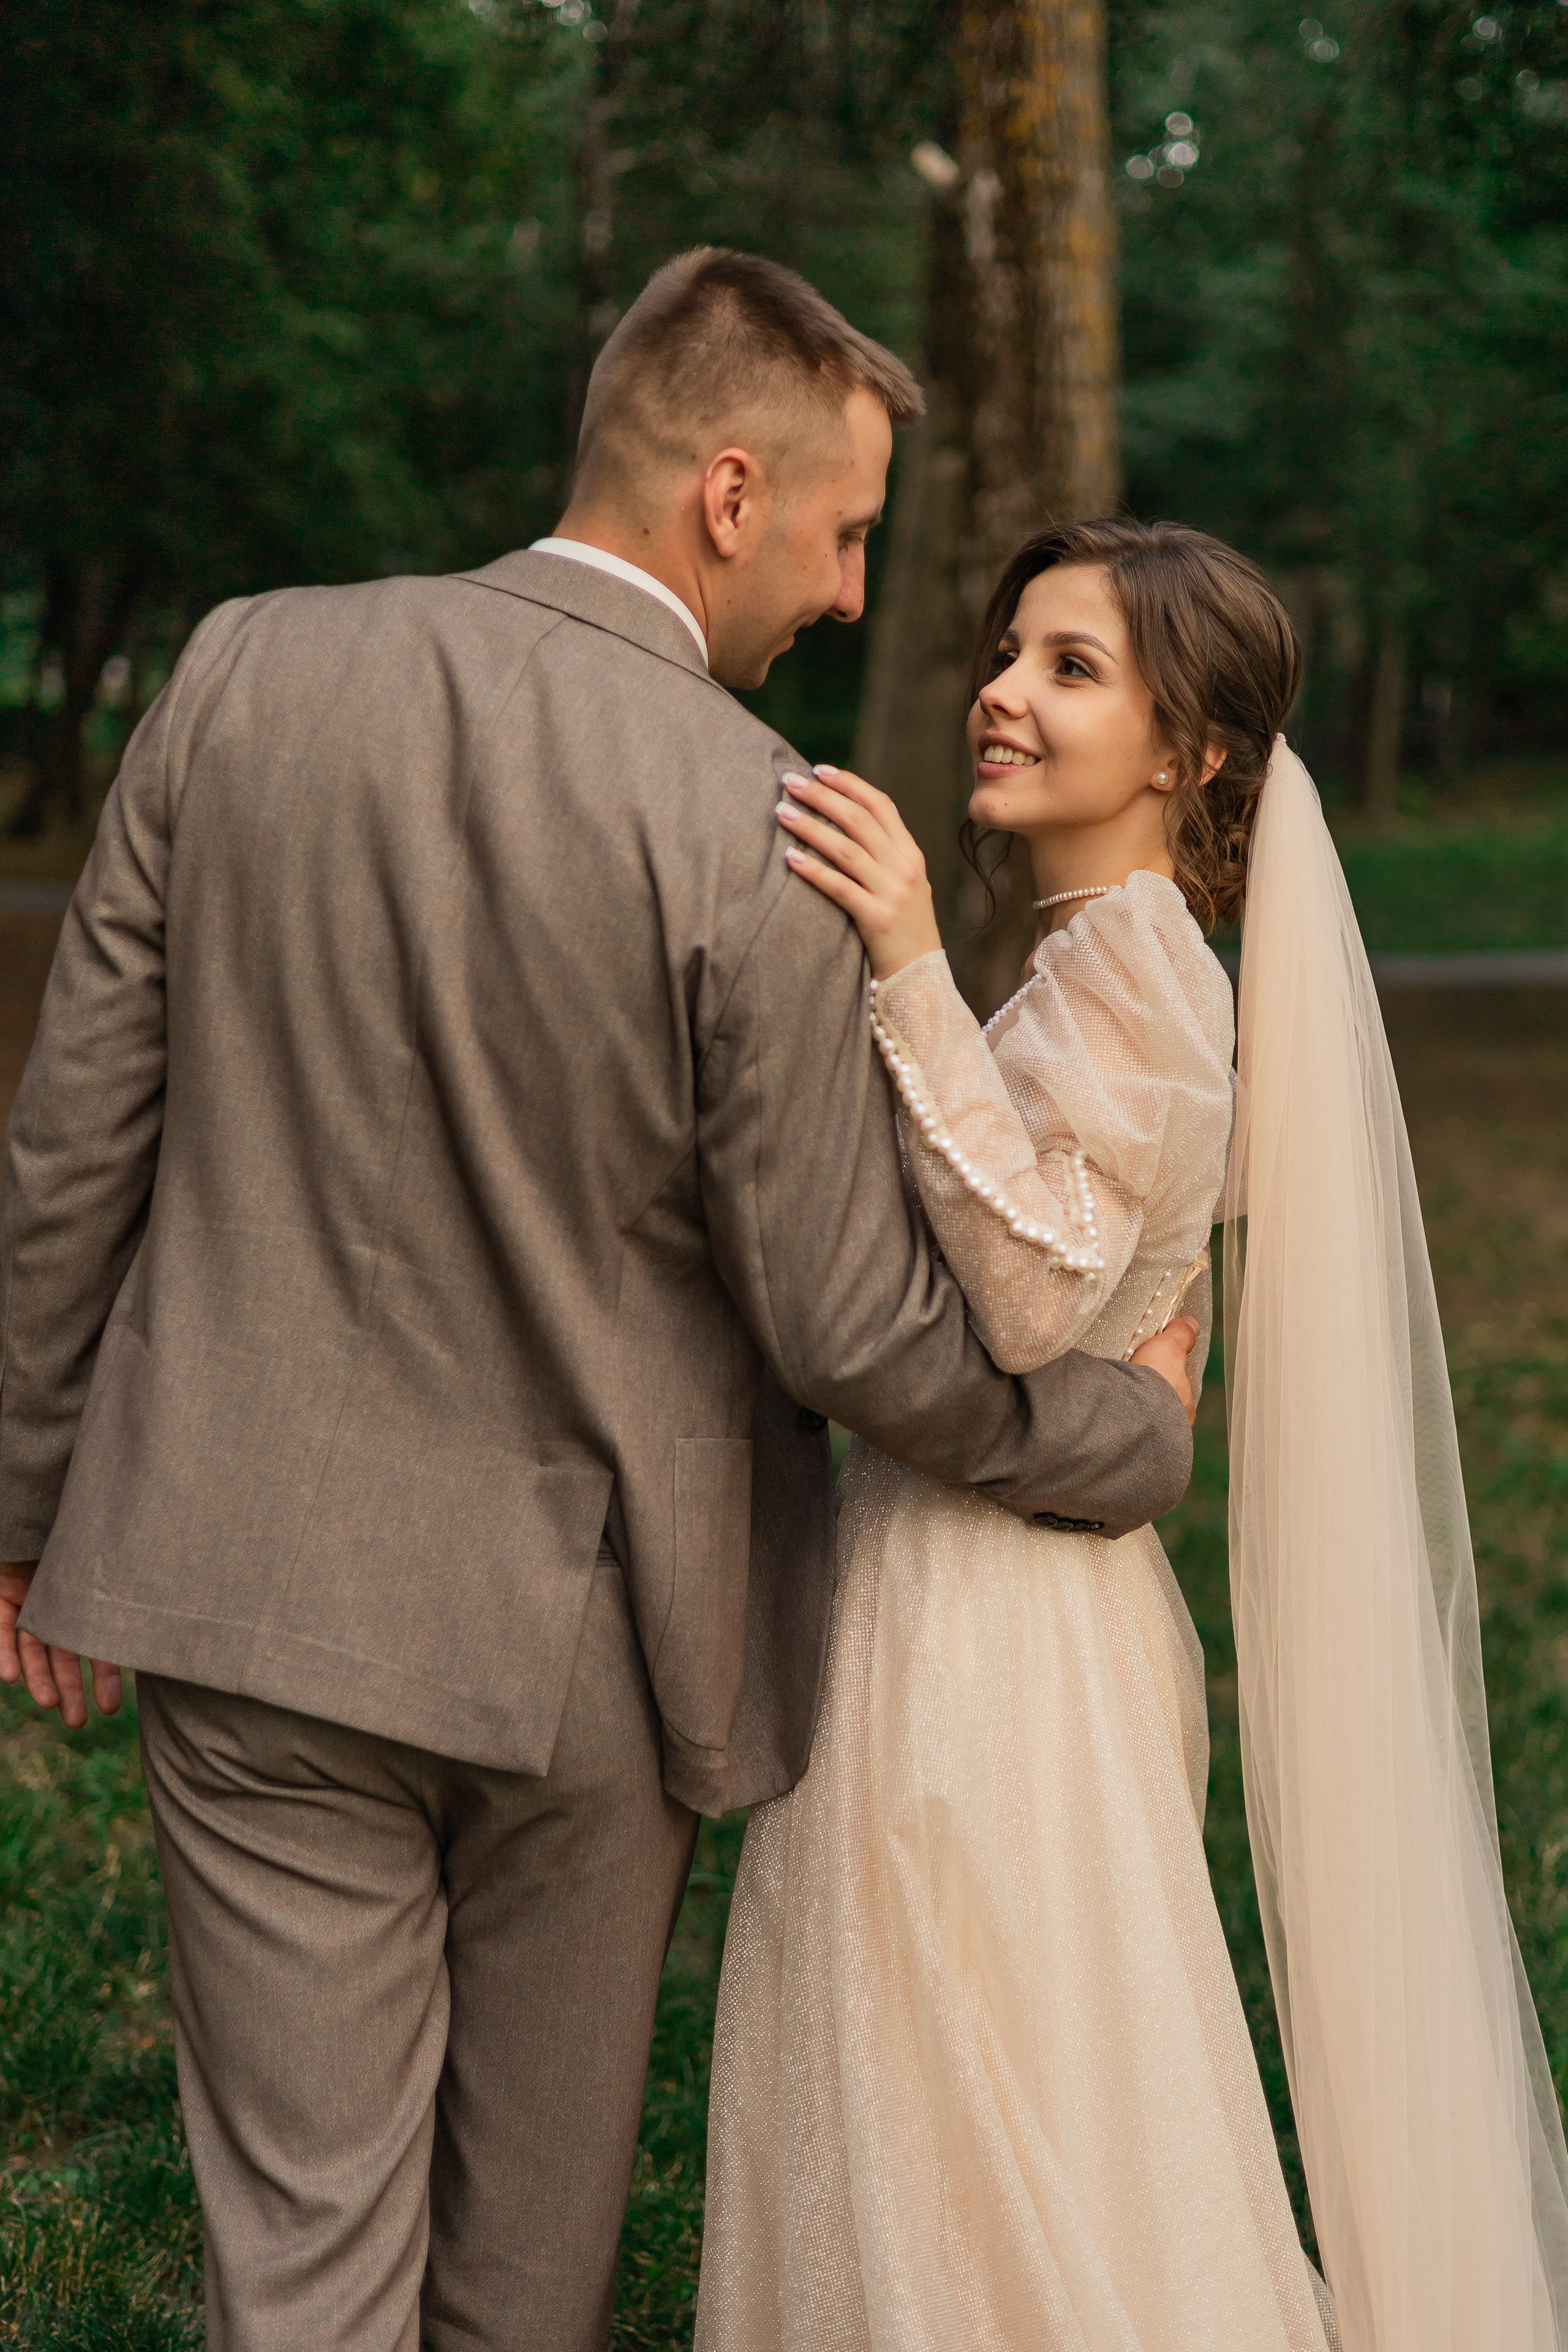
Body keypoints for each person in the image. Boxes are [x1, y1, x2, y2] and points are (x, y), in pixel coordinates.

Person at [0, 255, 1198, 2352]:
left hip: (243, 1585)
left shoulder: (239, 672)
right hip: (594, 1655)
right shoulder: (768, 827)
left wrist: (19, 1511)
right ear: (731, 497)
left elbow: (70, 1146)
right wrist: (1112, 1435)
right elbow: (843, 1323)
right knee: (525, 2278)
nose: (845, 597)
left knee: (300, 2260)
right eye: (842, 538)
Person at [696, 518, 1568, 2352]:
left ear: (1192, 758)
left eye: (1070, 668)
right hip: (984, 1581)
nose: (1002, 692)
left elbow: (1022, 1300)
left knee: (967, 2084)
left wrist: (905, 957)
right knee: (980, 2074)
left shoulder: (1148, 981)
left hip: (991, 1625)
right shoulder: (1105, 955)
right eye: (1011, 651)